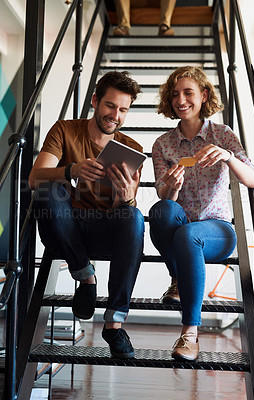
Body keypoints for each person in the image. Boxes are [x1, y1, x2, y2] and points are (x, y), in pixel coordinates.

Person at [28, 71, 145, 359]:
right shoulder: (64, 130)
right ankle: (85, 276)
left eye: (123, 110)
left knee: (134, 216)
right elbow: (34, 178)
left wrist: (127, 195)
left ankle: (115, 323)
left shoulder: (132, 149)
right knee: (48, 189)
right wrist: (72, 170)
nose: (115, 115)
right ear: (95, 101)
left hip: (105, 229)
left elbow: (123, 213)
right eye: (110, 106)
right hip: (64, 229)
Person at [148, 66, 254, 361]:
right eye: (174, 95)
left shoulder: (223, 134)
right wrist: (171, 187)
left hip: (218, 231)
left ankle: (190, 334)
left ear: (204, 95)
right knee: (161, 210)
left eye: (188, 93)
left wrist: (229, 156)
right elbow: (164, 198)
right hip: (181, 229)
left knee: (190, 233)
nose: (180, 100)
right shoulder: (162, 145)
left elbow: (252, 179)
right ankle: (178, 279)